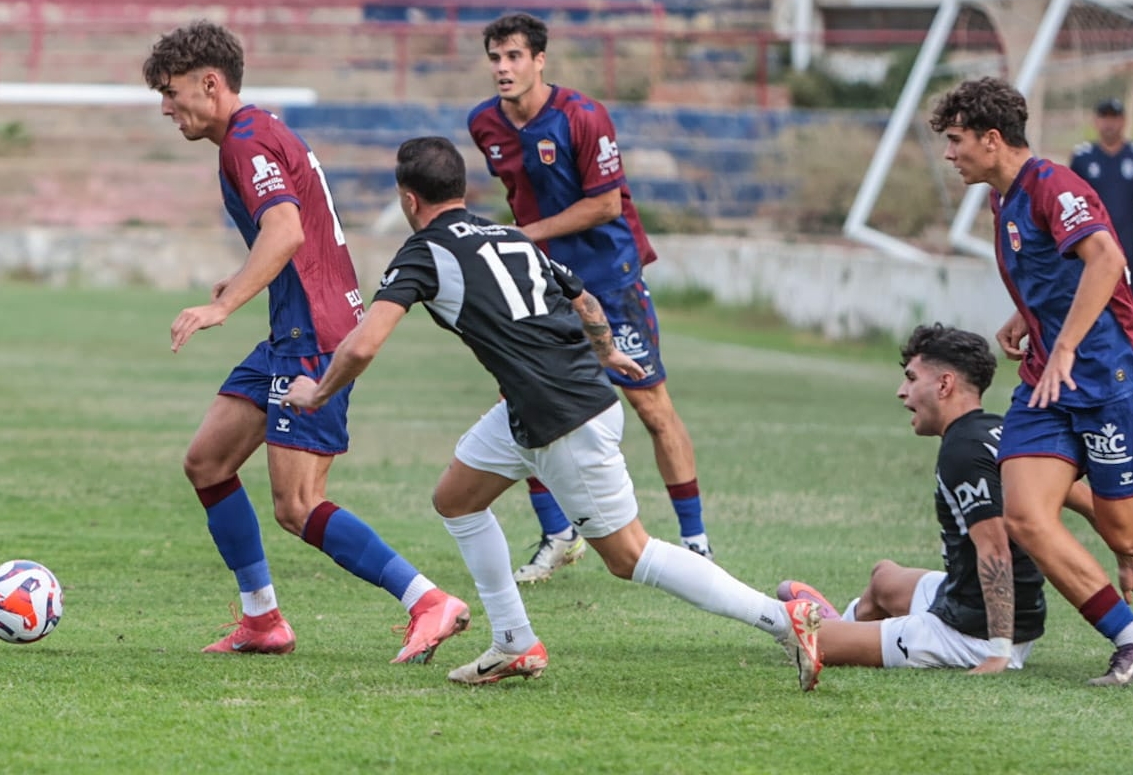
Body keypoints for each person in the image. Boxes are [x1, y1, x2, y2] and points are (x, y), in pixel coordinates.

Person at [282, 136, 824, 690]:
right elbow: (584, 300)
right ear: (461, 188)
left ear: (408, 199)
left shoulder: (425, 251)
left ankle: (781, 619)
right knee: (456, 500)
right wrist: (607, 350)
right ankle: (514, 641)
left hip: (562, 418)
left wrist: (317, 393)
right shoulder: (508, 236)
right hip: (543, 405)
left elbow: (363, 344)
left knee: (631, 555)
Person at [141, 21, 469, 663]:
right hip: (294, 329)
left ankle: (427, 601)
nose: (165, 106)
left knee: (297, 504)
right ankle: (262, 621)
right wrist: (240, 281)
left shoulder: (246, 141)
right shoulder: (252, 133)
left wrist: (224, 305)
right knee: (207, 463)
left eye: (172, 91)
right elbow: (289, 236)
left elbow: (286, 230)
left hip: (313, 337)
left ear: (210, 83)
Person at [926, 77, 1133, 686]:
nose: (949, 153)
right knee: (1026, 515)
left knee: (1127, 530)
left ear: (992, 139)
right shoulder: (1001, 197)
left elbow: (1107, 260)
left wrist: (1064, 342)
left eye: (956, 140)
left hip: (1114, 379)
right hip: (1047, 383)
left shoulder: (1053, 185)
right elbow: (1053, 268)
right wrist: (1028, 317)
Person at [467, 12, 714, 582]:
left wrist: (523, 235)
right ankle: (558, 535)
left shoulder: (582, 116)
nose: (503, 69)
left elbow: (605, 205)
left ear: (539, 60)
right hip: (541, 280)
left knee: (652, 406)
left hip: (608, 276)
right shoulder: (484, 123)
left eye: (514, 57)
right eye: (495, 58)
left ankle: (696, 542)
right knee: (526, 400)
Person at [775, 324, 1133, 673]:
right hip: (986, 603)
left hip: (971, 633)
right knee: (883, 578)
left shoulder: (961, 450)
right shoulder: (1003, 431)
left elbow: (995, 549)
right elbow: (1080, 497)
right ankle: (848, 624)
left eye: (911, 378)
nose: (902, 392)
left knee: (805, 633)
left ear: (944, 385)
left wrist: (995, 651)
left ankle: (825, 629)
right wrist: (1124, 556)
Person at [1069, 97, 1133, 309]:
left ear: (1123, 121)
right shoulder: (1082, 158)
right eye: (1104, 117)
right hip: (1090, 253)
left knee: (1131, 314)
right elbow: (1070, 205)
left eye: (1114, 117)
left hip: (1127, 253)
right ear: (1096, 121)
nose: (1109, 123)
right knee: (1091, 314)